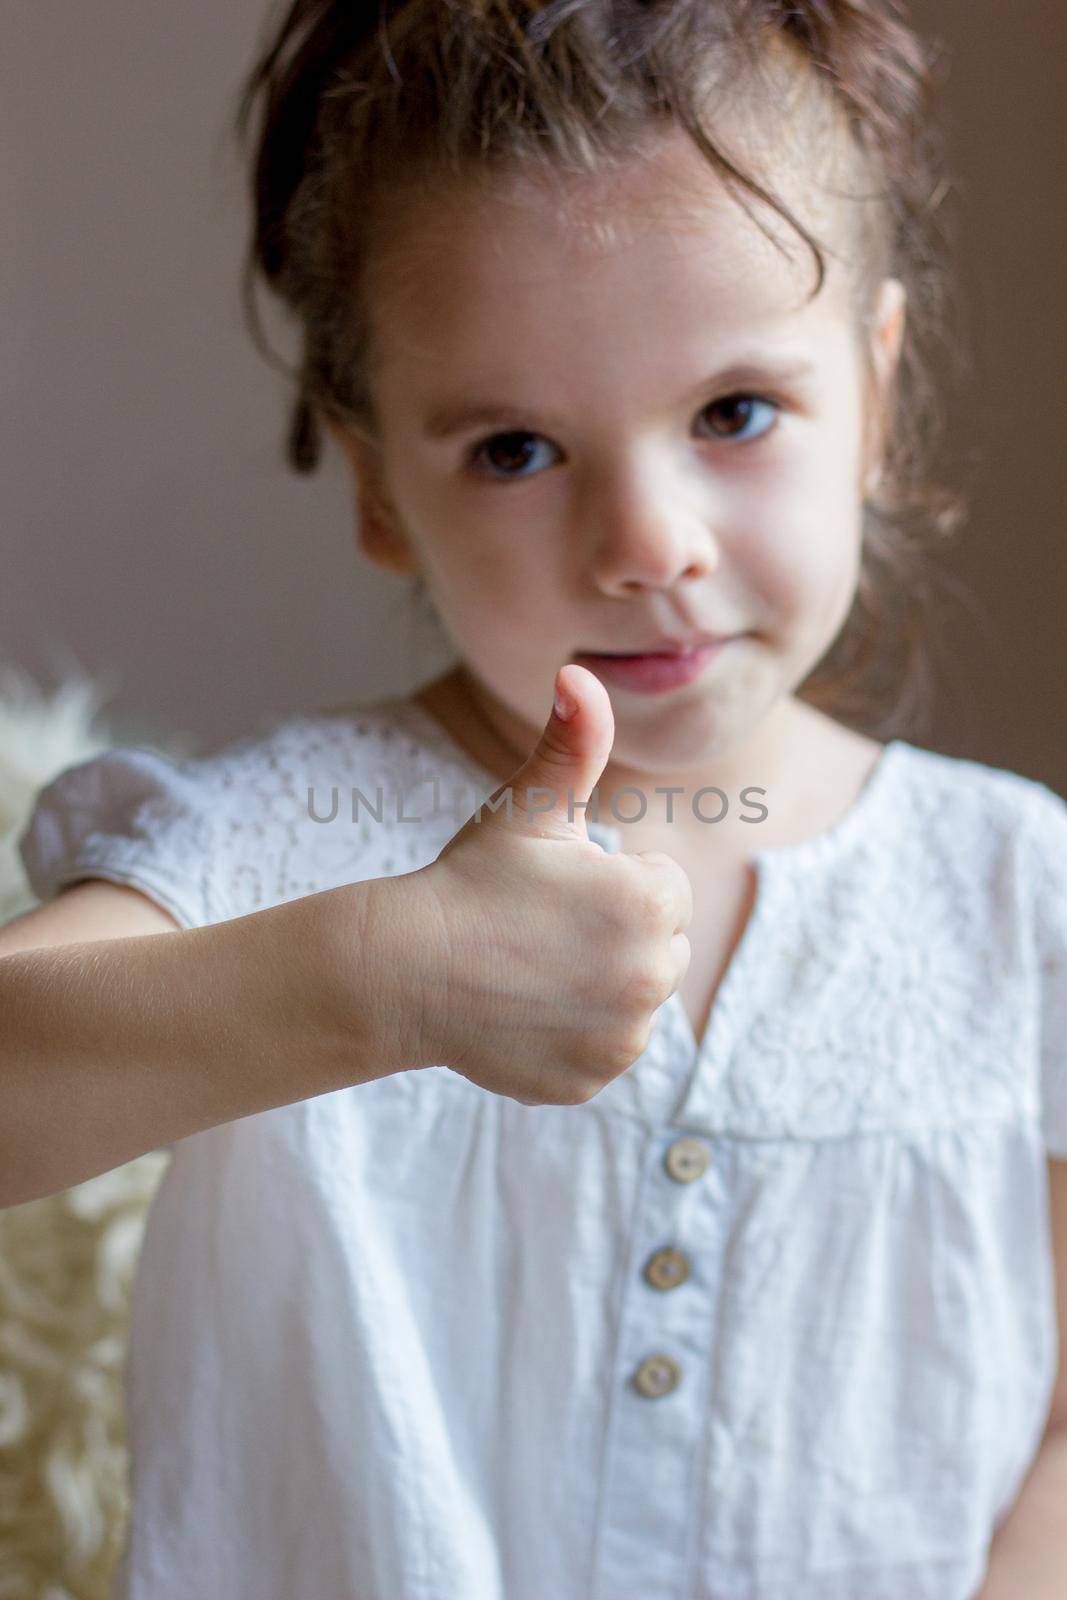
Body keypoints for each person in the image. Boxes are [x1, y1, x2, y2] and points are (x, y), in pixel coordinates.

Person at [3, 2, 1066, 1595]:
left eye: (735, 413)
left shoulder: (1015, 894)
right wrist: (372, 979)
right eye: (515, 448)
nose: (647, 539)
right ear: (377, 485)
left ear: (878, 395)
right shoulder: (300, 843)